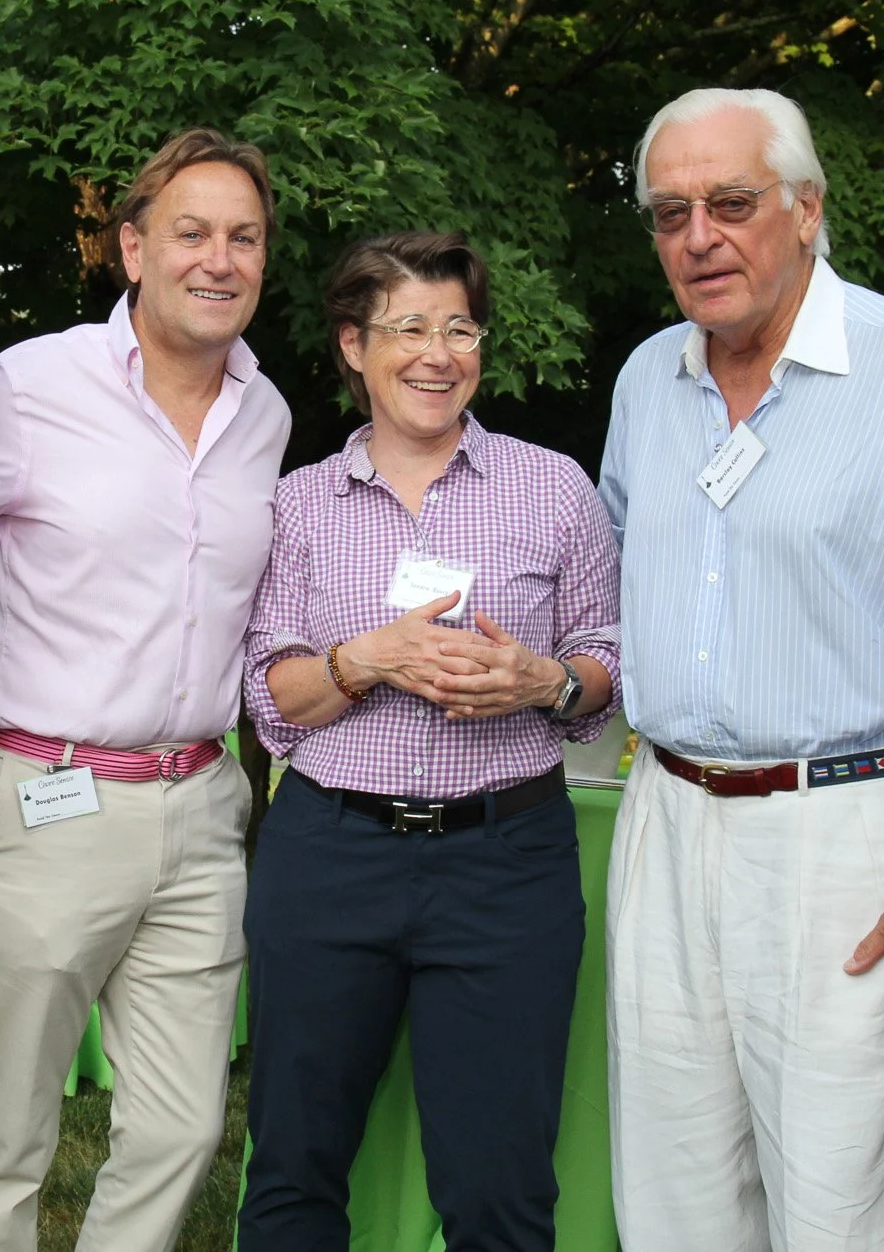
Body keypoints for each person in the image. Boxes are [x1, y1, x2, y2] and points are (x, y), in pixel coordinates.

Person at [599, 87, 884, 1251]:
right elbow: (612, 593)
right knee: (670, 1201)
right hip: (665, 824)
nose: (696, 235)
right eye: (668, 212)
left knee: (839, 1210)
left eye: (730, 201)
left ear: (805, 209)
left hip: (847, 840)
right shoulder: (645, 379)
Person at [0, 128, 292, 1251]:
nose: (218, 258)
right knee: (9, 1130)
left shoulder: (265, 415)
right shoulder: (26, 386)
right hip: (43, 800)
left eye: (242, 237)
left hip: (199, 811)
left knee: (182, 1125)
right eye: (190, 232)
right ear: (132, 247)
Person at [238, 230, 622, 1250]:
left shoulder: (552, 488)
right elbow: (271, 701)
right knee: (292, 1165)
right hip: (328, 854)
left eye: (458, 327)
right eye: (407, 327)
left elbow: (602, 665)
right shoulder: (298, 503)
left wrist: (542, 680)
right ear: (352, 346)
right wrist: (359, 660)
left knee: (498, 1188)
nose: (436, 353)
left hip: (505, 864)